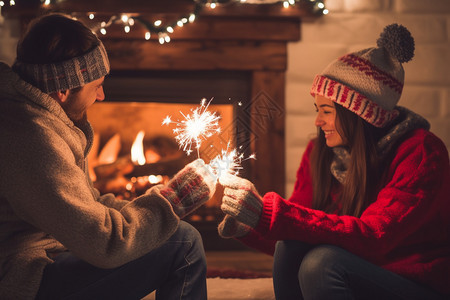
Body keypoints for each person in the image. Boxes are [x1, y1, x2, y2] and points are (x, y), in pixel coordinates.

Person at [218, 23, 450, 300]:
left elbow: (374, 236)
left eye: (327, 111)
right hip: (359, 268)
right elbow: (297, 229)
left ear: (359, 114)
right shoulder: (320, 152)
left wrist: (267, 213)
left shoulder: (421, 152)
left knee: (323, 263)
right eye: (318, 110)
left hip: (414, 281)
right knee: (291, 247)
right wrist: (249, 224)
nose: (318, 121)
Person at [0, 13, 217, 300]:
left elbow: (88, 206)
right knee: (183, 242)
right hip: (26, 278)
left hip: (47, 253)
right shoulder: (32, 139)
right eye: (95, 85)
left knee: (178, 235)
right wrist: (174, 201)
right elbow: (105, 244)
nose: (101, 96)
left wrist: (158, 197)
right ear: (63, 89)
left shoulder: (34, 115)